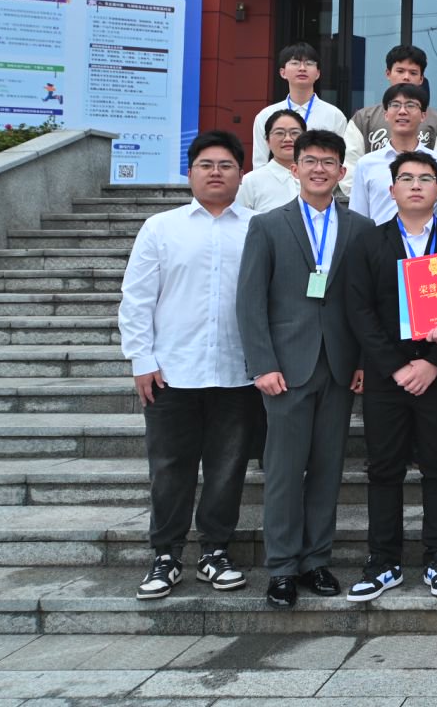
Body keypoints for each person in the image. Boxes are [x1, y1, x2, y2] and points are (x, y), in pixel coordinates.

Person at [235, 129, 374, 608]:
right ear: (294, 169)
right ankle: (281, 568)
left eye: (328, 162)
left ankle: (316, 560)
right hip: (286, 369)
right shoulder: (268, 225)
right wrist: (262, 364)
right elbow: (250, 301)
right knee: (283, 471)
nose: (319, 169)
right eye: (310, 161)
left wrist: (361, 361)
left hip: (338, 366)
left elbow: (364, 302)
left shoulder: (360, 227)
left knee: (328, 470)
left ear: (341, 171)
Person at [119, 130, 260, 601]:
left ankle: (215, 551)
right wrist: (142, 359)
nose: (216, 172)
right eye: (206, 164)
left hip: (237, 372)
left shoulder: (258, 228)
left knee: (228, 468)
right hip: (171, 373)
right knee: (169, 468)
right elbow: (137, 298)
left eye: (226, 165)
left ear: (241, 174)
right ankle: (166, 555)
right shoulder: (161, 228)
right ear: (190, 173)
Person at [342, 152, 437, 601]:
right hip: (387, 378)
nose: (416, 185)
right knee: (384, 469)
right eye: (406, 178)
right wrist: (397, 367)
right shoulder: (367, 242)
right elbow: (359, 312)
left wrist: (433, 362)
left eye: (425, 178)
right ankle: (383, 561)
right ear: (392, 189)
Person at [340, 44, 437, 194]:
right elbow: (350, 170)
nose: (406, 77)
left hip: (421, 201)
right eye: (400, 71)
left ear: (421, 78)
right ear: (388, 73)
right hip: (375, 202)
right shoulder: (364, 118)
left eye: (413, 72)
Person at [348, 83, 437, 225]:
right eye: (395, 105)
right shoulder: (366, 164)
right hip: (378, 238)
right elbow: (358, 217)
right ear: (386, 114)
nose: (402, 111)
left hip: (429, 239)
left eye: (410, 105)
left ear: (423, 116)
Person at [250, 42, 347, 171]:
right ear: (283, 72)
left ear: (318, 73)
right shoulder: (266, 115)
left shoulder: (334, 115)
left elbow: (342, 160)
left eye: (309, 63)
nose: (302, 68)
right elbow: (260, 163)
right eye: (295, 63)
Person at [238, 108, 303, 211]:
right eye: (279, 133)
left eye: (294, 133)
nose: (288, 139)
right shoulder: (249, 182)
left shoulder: (317, 177)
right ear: (267, 141)